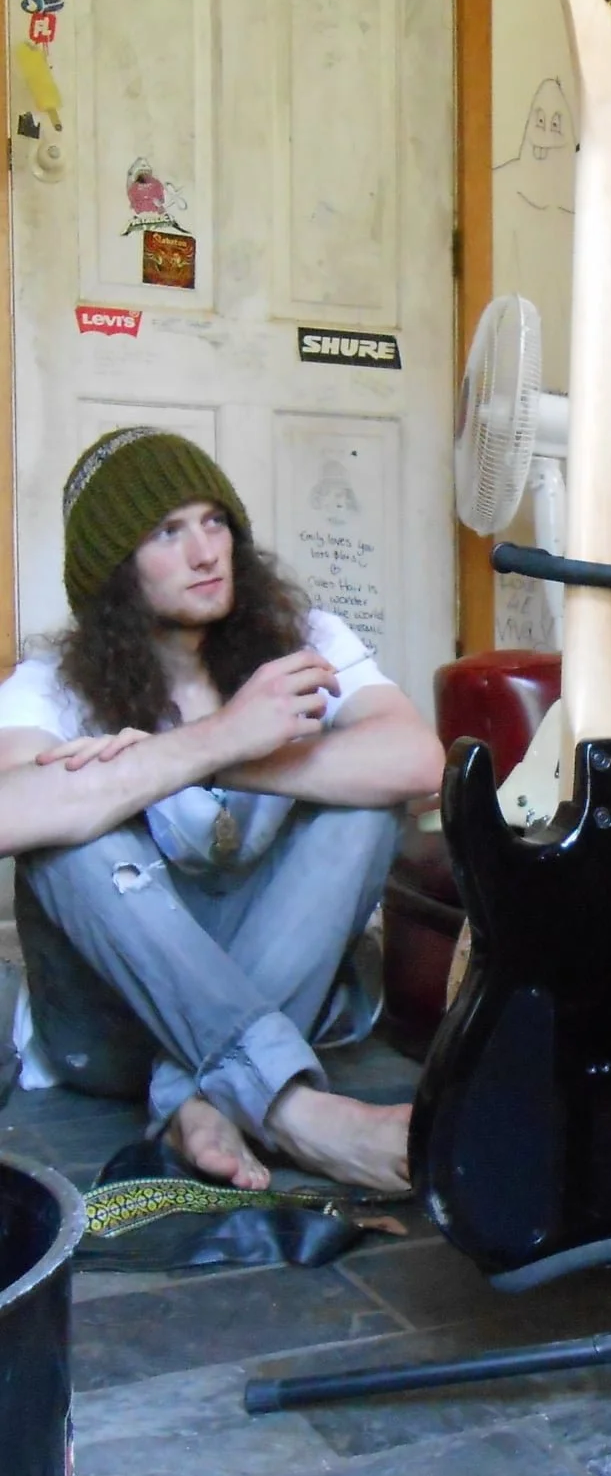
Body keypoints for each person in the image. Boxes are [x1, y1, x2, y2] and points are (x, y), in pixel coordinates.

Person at [0, 428, 446, 1194]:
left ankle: (200, 1098)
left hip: (267, 983)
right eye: (167, 533)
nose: (206, 552)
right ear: (114, 569)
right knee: (65, 835)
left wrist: (241, 755)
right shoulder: (52, 685)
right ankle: (297, 1115)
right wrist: (214, 739)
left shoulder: (308, 643)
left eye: (214, 522)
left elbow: (421, 763)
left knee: (365, 808)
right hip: (112, 1034)